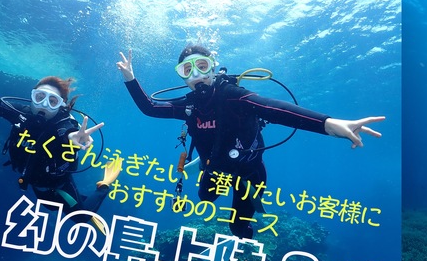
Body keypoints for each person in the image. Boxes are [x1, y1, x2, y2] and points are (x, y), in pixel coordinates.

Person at [116, 45, 385, 239]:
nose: (196, 75)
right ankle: (203, 165)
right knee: (205, 197)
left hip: (250, 171)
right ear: (182, 76)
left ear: (213, 67)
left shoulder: (232, 95)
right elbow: (150, 108)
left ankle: (245, 236)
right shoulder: (188, 106)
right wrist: (130, 78)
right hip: (215, 167)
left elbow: (274, 109)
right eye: (188, 70)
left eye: (202, 66)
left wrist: (329, 124)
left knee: (238, 229)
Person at [0, 47, 120, 221]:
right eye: (40, 97)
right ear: (32, 97)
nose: (44, 105)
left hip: (59, 183)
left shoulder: (64, 124)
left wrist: (73, 139)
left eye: (52, 101)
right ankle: (75, 199)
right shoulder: (22, 115)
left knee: (81, 217)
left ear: (61, 105)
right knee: (50, 206)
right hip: (35, 182)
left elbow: (69, 133)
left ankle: (103, 186)